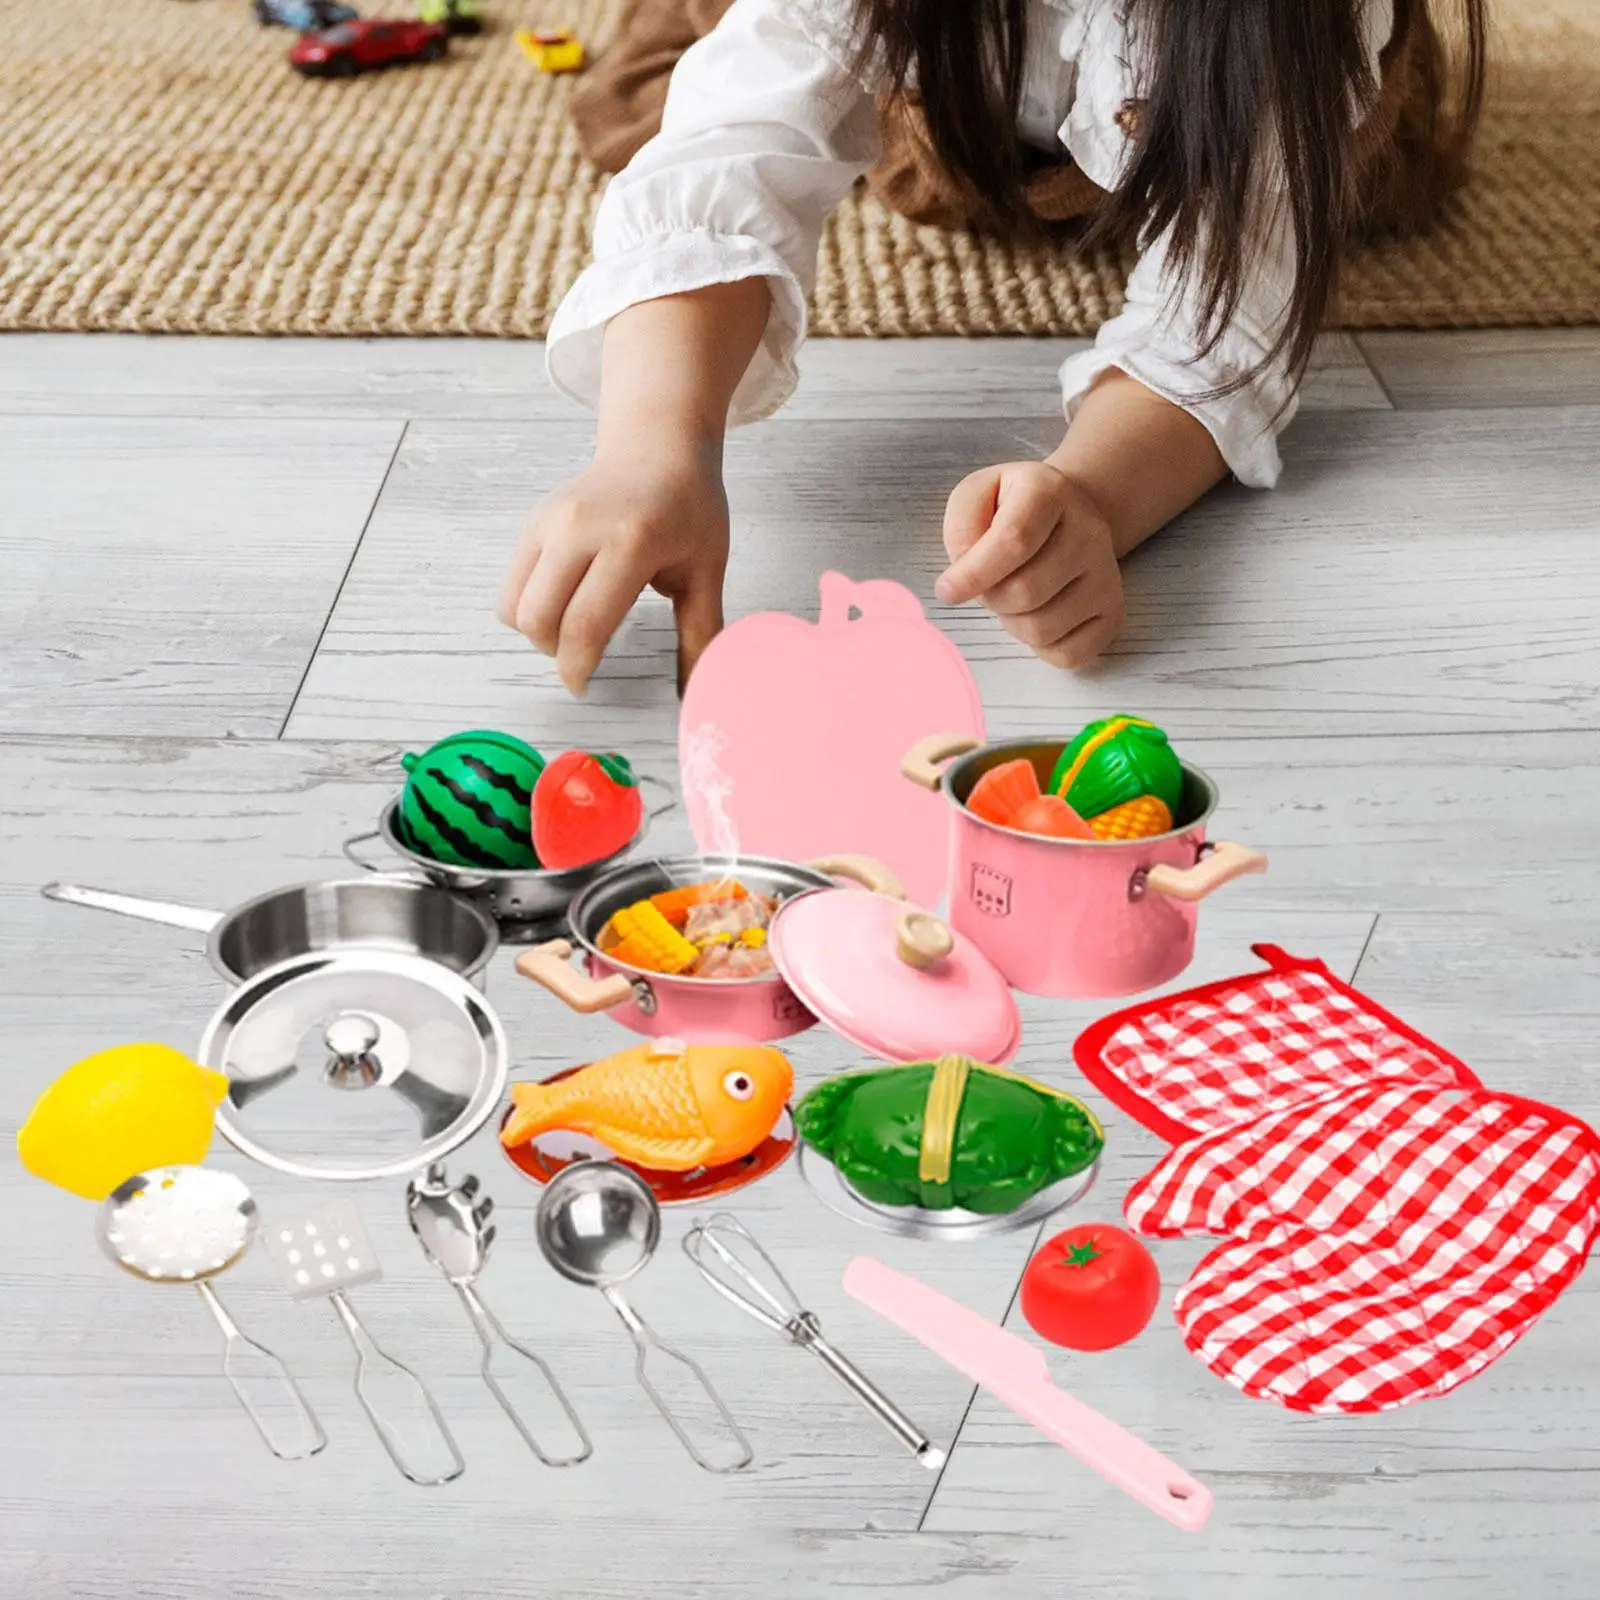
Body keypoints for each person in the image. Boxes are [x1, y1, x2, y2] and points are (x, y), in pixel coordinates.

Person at [500, 0, 1485, 694]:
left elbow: (1223, 332)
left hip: (1244, 65)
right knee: (659, 90)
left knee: (1386, 180)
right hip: (952, 80)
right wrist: (653, 444)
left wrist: (1094, 494)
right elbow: (731, 157)